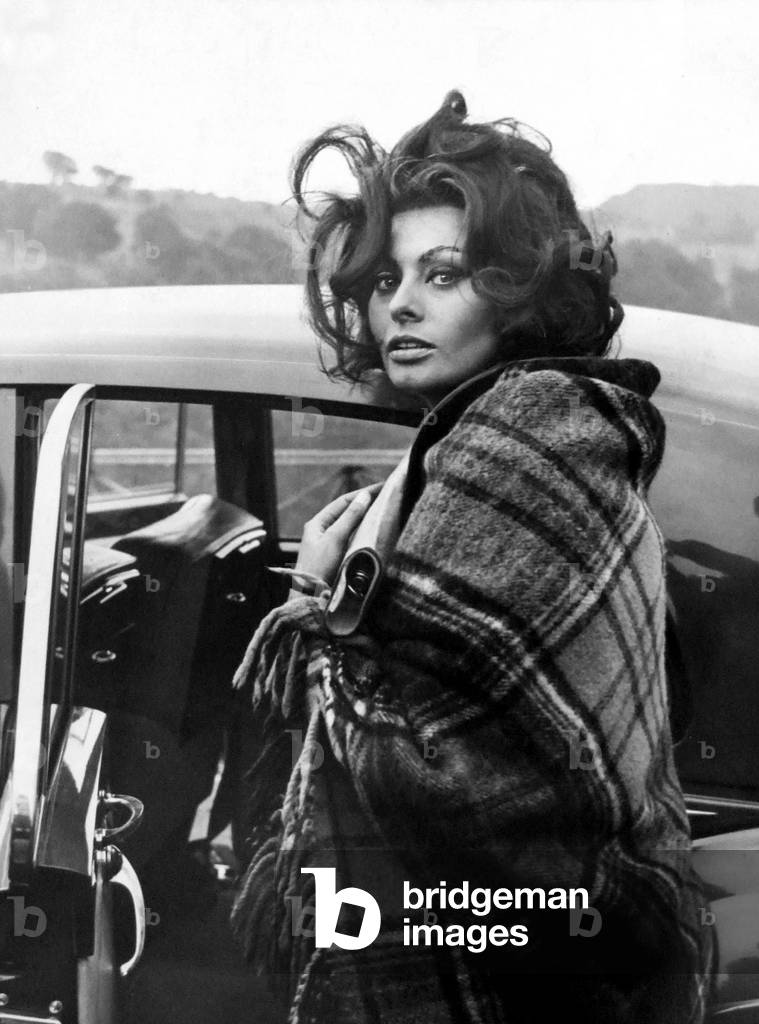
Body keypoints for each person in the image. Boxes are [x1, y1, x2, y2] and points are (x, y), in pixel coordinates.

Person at [231, 91, 715, 1023]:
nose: (401, 304)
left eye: (442, 274)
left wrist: (331, 604)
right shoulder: (511, 435)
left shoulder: (526, 437)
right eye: (381, 282)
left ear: (517, 291)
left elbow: (446, 786)